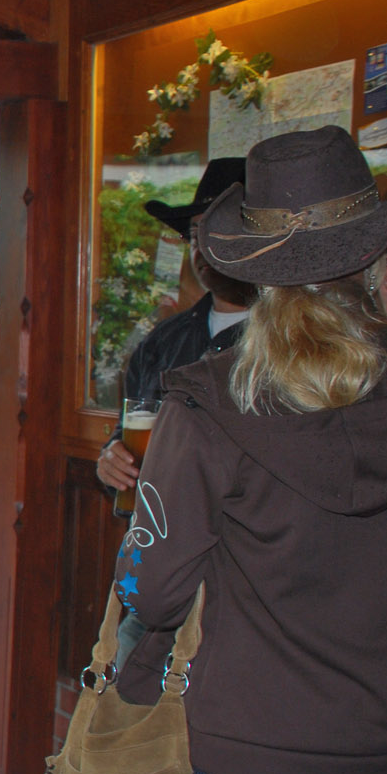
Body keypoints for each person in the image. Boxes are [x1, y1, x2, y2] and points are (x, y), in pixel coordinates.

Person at [114, 125, 387, 774]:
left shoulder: (205, 404)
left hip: (251, 757)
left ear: (254, 268)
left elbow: (154, 588)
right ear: (370, 256)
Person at [95, 157, 255, 675]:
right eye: (196, 235)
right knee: (120, 713)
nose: (203, 248)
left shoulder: (289, 347)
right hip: (158, 590)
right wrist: (110, 459)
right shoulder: (163, 342)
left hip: (244, 596)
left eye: (219, 233)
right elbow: (127, 436)